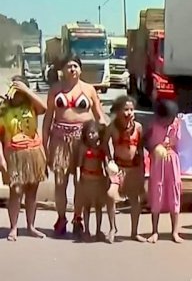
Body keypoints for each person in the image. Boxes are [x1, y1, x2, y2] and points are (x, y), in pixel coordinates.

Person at [42, 54, 106, 237]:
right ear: (62, 70)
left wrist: (103, 138)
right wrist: (44, 145)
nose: (72, 69)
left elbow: (99, 115)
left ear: (80, 69)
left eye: (75, 66)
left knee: (80, 182)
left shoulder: (89, 89)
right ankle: (61, 218)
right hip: (60, 140)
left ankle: (78, 218)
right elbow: (48, 119)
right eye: (69, 66)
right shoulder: (55, 89)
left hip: (83, 142)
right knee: (60, 182)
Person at [0, 77, 48, 240]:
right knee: (16, 190)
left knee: (32, 191)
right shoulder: (3, 109)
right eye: (16, 90)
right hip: (13, 153)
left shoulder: (31, 105)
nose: (18, 94)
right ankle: (13, 228)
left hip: (34, 151)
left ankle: (31, 226)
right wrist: (2, 161)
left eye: (21, 90)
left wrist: (27, 90)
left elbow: (44, 108)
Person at [105, 95, 146, 242]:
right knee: (111, 195)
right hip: (118, 168)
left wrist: (142, 170)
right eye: (125, 109)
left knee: (135, 200)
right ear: (118, 111)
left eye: (131, 109)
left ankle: (134, 232)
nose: (129, 113)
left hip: (134, 168)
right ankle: (112, 228)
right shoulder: (112, 127)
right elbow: (104, 144)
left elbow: (140, 149)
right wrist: (109, 160)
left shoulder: (138, 127)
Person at [147, 99, 183, 244]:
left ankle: (175, 231)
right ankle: (154, 230)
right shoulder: (153, 125)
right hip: (158, 161)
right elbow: (146, 142)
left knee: (174, 193)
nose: (169, 120)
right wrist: (154, 148)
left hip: (172, 160)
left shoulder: (177, 124)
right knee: (157, 192)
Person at [75, 120, 116, 243]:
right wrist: (78, 178)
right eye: (88, 133)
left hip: (99, 180)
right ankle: (87, 230)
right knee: (86, 207)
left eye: (93, 133)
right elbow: (78, 165)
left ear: (99, 133)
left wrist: (111, 171)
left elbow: (109, 161)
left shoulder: (102, 147)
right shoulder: (83, 147)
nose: (90, 135)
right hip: (86, 179)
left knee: (98, 207)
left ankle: (98, 230)